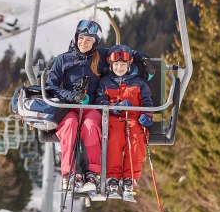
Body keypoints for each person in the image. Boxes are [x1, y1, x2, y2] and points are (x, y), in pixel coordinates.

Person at [45, 19, 105, 192]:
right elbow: (51, 87)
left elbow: (121, 55)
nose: (83, 43)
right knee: (70, 126)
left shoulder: (100, 58)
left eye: (88, 40)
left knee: (91, 125)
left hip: (90, 107)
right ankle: (69, 173)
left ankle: (92, 172)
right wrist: (72, 96)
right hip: (68, 107)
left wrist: (142, 60)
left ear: (95, 43)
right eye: (81, 38)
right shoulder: (63, 59)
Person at [95, 44, 153, 201]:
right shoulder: (105, 82)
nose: (119, 68)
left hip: (134, 119)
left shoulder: (139, 82)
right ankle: (112, 177)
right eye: (116, 65)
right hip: (114, 118)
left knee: (136, 139)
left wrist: (147, 114)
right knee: (113, 139)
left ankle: (130, 178)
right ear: (110, 64)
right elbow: (100, 100)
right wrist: (114, 107)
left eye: (122, 65)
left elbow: (147, 101)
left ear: (130, 64)